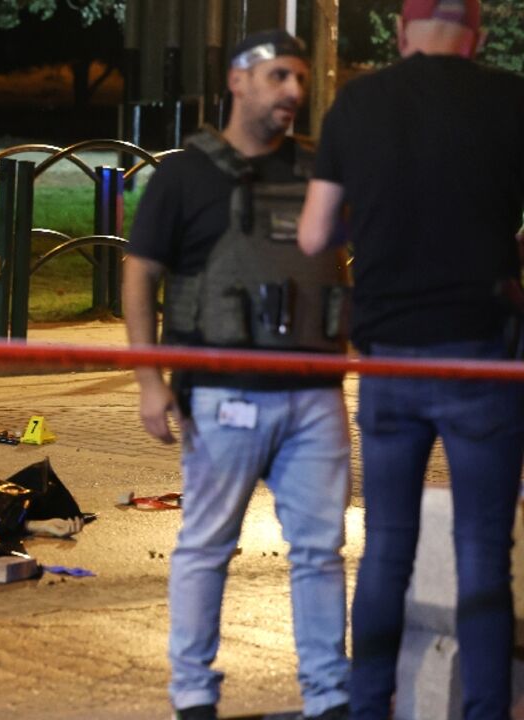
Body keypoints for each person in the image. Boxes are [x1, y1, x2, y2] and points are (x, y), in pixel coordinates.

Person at [298, 1, 524, 716]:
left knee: (386, 547)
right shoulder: (511, 99)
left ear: (401, 34)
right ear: (478, 37)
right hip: (482, 359)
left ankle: (370, 707)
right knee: (484, 553)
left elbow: (311, 237)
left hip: (390, 359)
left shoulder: (359, 102)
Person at [123, 30, 351, 720]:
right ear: (238, 81)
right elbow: (139, 277)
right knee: (207, 546)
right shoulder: (183, 175)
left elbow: (342, 267)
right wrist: (150, 381)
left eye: (301, 79)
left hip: (314, 398)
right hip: (223, 396)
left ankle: (330, 697)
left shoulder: (319, 172)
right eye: (280, 75)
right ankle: (193, 695)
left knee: (320, 551)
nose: (294, 91)